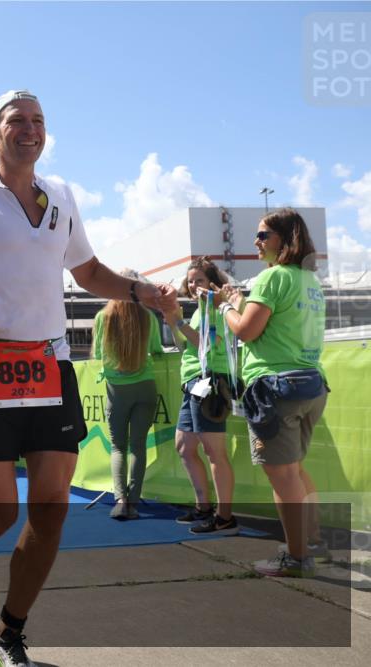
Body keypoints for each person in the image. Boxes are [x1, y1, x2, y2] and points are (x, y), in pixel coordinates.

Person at [0, 89, 177, 666]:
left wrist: (140, 291)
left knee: (51, 507)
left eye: (38, 121)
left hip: (51, 367)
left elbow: (88, 270)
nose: (30, 130)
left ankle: (6, 633)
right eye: (16, 121)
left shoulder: (62, 196)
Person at [215, 208, 329, 577]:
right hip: (311, 382)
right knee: (294, 471)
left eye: (263, 235)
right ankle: (309, 541)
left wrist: (226, 308)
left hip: (275, 387)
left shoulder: (272, 279)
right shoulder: (309, 280)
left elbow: (246, 331)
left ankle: (296, 558)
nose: (256, 241)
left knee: (283, 479)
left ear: (285, 239)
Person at [162, 258, 239, 536]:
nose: (194, 286)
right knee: (184, 446)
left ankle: (225, 517)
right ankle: (204, 507)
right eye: (191, 280)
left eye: (200, 281)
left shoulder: (216, 308)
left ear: (212, 283)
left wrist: (178, 321)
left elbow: (210, 343)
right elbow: (188, 346)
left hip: (210, 383)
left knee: (214, 452)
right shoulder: (200, 310)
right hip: (194, 384)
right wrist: (175, 323)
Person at [92, 269, 163, 520]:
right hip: (145, 386)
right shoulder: (148, 317)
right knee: (138, 446)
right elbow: (157, 349)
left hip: (116, 390)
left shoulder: (103, 317)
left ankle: (120, 500)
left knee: (118, 447)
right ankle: (134, 500)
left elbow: (98, 355)